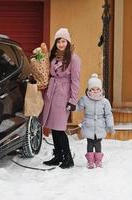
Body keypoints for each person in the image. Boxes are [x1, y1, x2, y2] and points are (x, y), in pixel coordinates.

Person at [41, 28, 81, 169]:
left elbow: (75, 81)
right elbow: (47, 73)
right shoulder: (54, 57)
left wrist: (73, 100)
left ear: (68, 42)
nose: (61, 44)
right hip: (51, 94)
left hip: (63, 96)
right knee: (53, 127)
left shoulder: (74, 59)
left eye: (63, 41)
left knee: (59, 128)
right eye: (58, 41)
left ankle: (68, 158)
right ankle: (58, 155)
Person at [76, 73, 115, 169]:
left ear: (101, 90)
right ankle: (90, 161)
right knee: (89, 142)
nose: (95, 91)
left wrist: (110, 126)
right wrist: (72, 105)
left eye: (97, 89)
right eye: (92, 89)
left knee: (98, 143)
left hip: (100, 125)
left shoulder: (104, 101)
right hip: (88, 124)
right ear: (88, 90)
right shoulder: (84, 99)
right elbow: (78, 108)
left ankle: (98, 160)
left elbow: (108, 114)